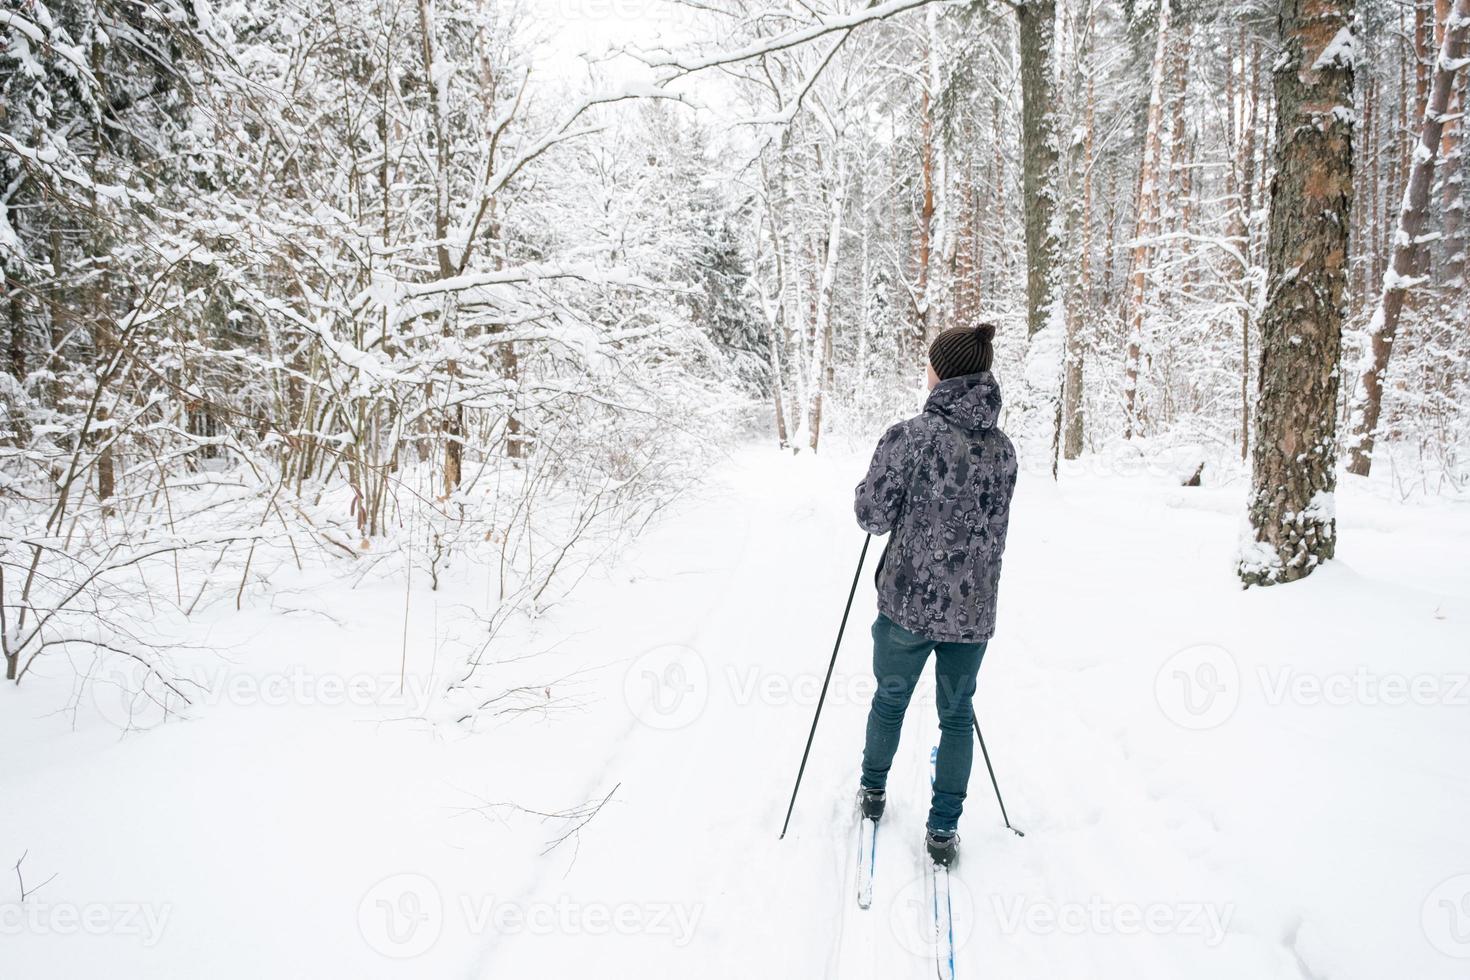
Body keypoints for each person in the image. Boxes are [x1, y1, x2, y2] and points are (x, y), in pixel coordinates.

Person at [852, 323, 1018, 867]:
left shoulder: (911, 436)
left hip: (906, 606)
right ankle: (943, 829)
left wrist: (873, 493)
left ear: (942, 373)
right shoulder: (1004, 451)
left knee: (890, 701)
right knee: (956, 714)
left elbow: (872, 516)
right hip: (971, 613)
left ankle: (873, 792)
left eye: (930, 363)